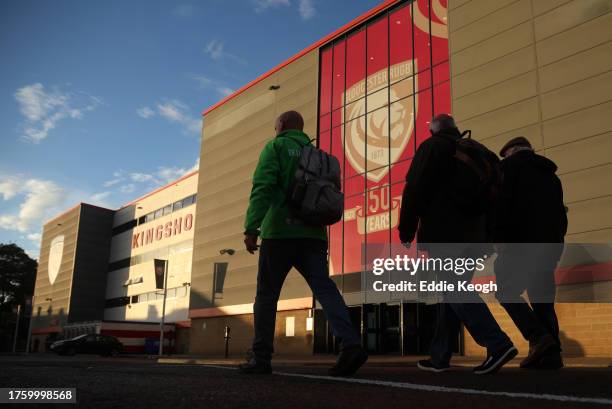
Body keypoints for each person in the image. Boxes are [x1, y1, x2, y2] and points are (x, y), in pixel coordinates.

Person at [239, 110, 367, 376]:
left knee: (266, 295)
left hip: (279, 234)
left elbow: (262, 186)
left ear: (282, 125)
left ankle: (261, 357)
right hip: (314, 236)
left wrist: (252, 227)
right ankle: (351, 343)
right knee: (325, 291)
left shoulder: (275, 146)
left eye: (276, 125)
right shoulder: (319, 157)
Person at [398, 113, 517, 375]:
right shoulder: (479, 151)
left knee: (452, 288)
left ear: (433, 131)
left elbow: (415, 187)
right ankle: (440, 356)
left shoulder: (432, 147)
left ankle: (498, 343)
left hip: (445, 232)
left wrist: (406, 228)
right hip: (476, 237)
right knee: (452, 290)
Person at [493, 137, 567, 370]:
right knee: (543, 300)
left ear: (511, 152)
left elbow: (500, 207)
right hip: (548, 247)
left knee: (506, 292)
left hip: (517, 244)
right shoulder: (551, 176)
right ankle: (552, 355)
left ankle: (538, 337)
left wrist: (498, 239)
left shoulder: (507, 169)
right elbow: (560, 216)